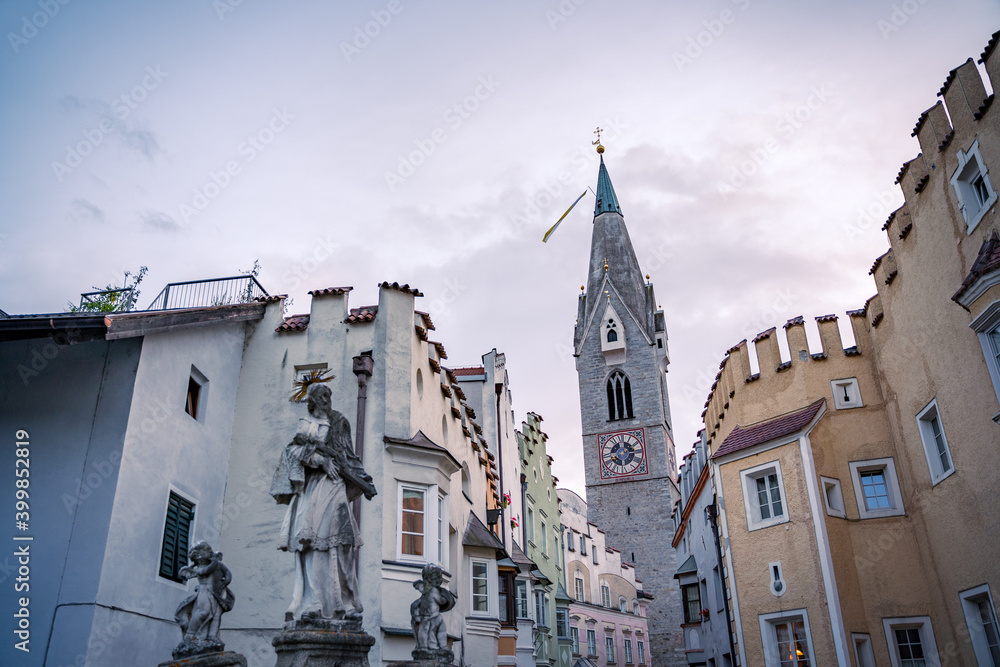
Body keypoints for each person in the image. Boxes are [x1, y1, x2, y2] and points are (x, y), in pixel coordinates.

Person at [270, 383, 376, 623]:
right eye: (322, 396)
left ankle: (347, 603)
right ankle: (315, 603)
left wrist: (363, 480)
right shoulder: (304, 424)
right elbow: (291, 453)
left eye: (329, 395)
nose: (327, 399)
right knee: (312, 544)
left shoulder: (339, 422)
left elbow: (348, 455)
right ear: (313, 400)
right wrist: (319, 460)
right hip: (312, 487)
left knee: (343, 541)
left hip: (336, 483)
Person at [175, 541, 234, 645]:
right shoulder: (200, 568)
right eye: (206, 550)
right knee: (203, 612)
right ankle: (190, 633)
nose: (210, 551)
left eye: (209, 549)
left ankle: (212, 635)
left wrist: (227, 580)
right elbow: (208, 570)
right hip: (204, 592)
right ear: (198, 555)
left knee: (217, 615)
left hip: (217, 593)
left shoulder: (218, 564)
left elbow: (228, 572)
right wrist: (214, 561)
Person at [410, 564, 457, 652]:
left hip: (434, 615)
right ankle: (427, 647)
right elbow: (441, 601)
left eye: (438, 578)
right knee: (430, 632)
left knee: (435, 631)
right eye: (435, 578)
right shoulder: (433, 591)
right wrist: (444, 599)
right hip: (429, 617)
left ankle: (435, 646)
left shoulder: (426, 591)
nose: (438, 581)